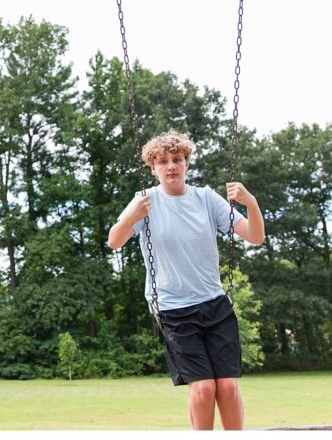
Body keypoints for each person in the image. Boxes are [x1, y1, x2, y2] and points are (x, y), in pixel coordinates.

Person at [107, 130, 265, 431]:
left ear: (187, 164)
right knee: (204, 389)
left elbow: (255, 237)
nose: (170, 167)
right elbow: (114, 242)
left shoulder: (206, 199)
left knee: (228, 389)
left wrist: (251, 202)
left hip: (215, 304)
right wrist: (129, 217)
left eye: (177, 160)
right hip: (173, 308)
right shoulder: (145, 202)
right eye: (162, 161)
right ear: (152, 168)